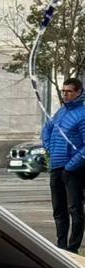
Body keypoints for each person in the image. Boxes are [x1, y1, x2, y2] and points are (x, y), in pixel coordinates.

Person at [45, 76, 85, 251]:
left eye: (69, 91)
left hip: (73, 169)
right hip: (56, 167)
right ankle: (60, 247)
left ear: (78, 92)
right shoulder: (61, 112)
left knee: (75, 209)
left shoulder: (82, 114)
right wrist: (49, 148)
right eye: (63, 91)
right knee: (58, 209)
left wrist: (71, 166)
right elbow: (47, 128)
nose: (65, 94)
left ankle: (73, 247)